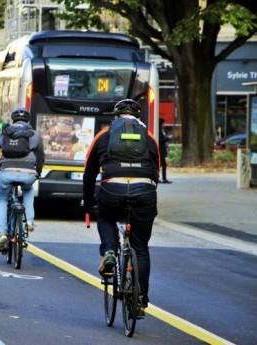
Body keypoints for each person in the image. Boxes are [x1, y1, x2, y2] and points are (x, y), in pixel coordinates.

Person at [82, 99, 159, 318]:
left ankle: (109, 252)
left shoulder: (104, 135)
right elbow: (157, 170)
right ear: (139, 117)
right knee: (141, 247)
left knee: (105, 216)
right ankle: (141, 299)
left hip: (112, 189)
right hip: (144, 191)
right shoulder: (149, 137)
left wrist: (87, 203)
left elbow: (89, 173)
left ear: (115, 117)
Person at [0, 108, 45, 252]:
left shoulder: (4, 133)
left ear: (13, 119)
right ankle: (29, 220)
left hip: (6, 172)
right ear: (28, 120)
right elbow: (40, 156)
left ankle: (2, 233)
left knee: (2, 200)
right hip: (28, 173)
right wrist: (38, 172)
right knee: (28, 190)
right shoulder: (35, 135)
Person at [159, 118, 172, 183]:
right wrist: (167, 138)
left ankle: (163, 178)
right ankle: (164, 178)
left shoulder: (160, 130)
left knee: (161, 165)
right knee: (163, 164)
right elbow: (161, 140)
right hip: (161, 151)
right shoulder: (159, 131)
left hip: (161, 150)